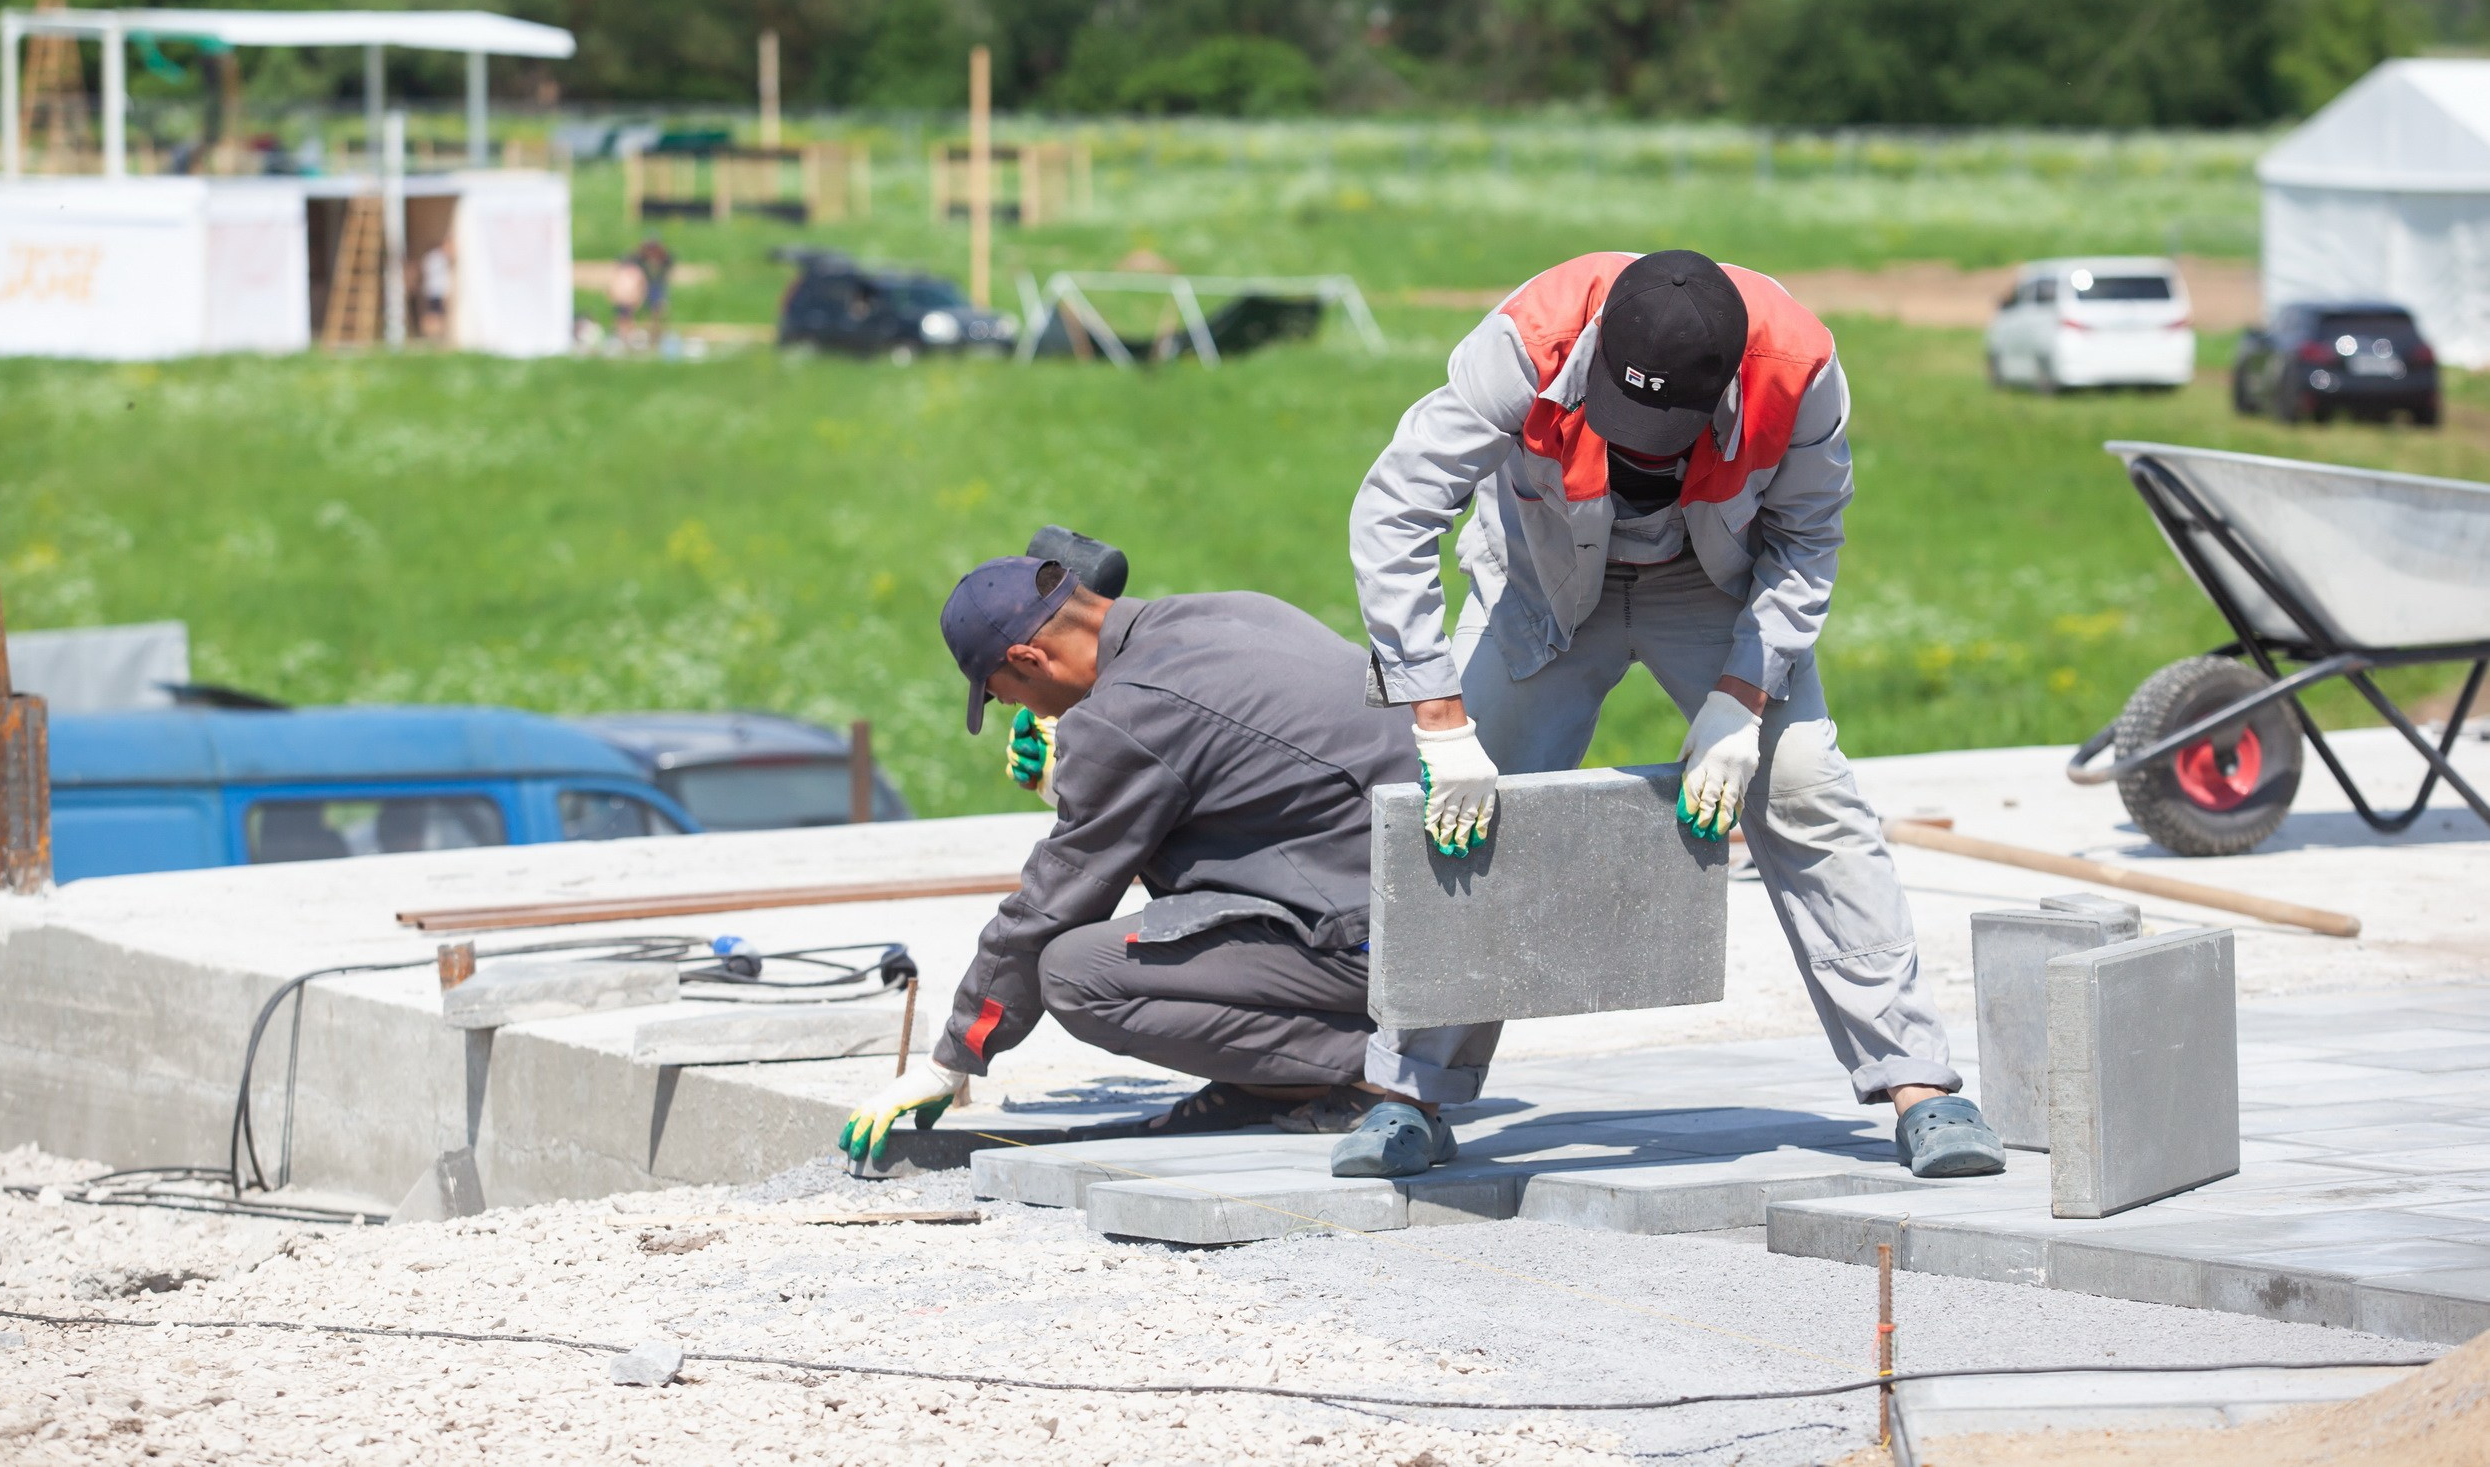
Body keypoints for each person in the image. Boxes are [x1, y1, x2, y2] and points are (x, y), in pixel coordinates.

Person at [1343, 248, 2007, 1182]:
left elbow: (1809, 535)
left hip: (1709, 588)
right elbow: (1395, 506)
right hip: (1545, 585)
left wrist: (1743, 699)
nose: (1642, 444)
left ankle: (1921, 1086)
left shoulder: (1799, 368)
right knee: (1459, 815)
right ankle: (1408, 1096)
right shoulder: (1529, 341)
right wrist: (1440, 718)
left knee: (1809, 788)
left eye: (1668, 428)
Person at [838, 557, 1423, 1169]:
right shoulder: (1229, 610)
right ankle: (1288, 1078)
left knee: (1075, 974)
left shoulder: (1125, 717)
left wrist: (951, 1059)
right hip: (1428, 914)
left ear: (1030, 660)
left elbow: (1051, 904)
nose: (1034, 716)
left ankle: (1387, 1071)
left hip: (1386, 951)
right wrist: (1071, 781)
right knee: (1164, 899)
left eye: (1010, 695)